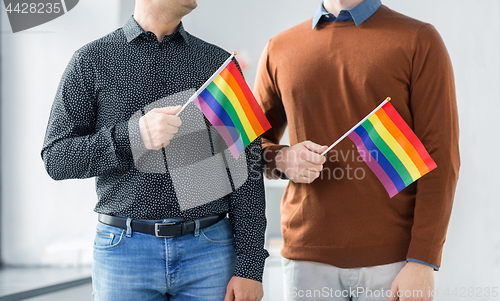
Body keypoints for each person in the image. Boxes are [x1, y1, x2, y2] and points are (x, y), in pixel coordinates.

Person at [41, 0, 268, 300]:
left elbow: (248, 172)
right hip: (124, 254)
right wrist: (133, 136)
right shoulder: (91, 60)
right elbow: (57, 158)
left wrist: (251, 267)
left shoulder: (218, 65)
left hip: (210, 253)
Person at [254, 0, 459, 300]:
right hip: (306, 260)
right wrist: (281, 158)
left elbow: (441, 157)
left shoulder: (419, 39)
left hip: (394, 262)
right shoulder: (279, 47)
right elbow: (247, 146)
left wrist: (422, 259)